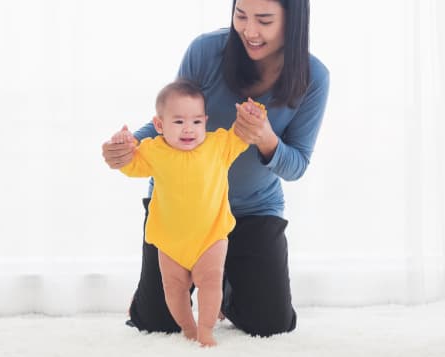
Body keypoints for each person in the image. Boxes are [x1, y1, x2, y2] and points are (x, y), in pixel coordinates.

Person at [101, 0, 329, 337]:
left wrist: (266, 139)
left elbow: (297, 165)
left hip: (252, 209)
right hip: (178, 211)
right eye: (241, 16)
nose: (249, 31)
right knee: (156, 322)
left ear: (292, 22)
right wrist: (128, 146)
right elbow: (171, 119)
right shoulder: (206, 51)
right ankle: (167, 290)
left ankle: (225, 281)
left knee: (270, 324)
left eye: (264, 20)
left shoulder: (313, 77)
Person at [112, 79, 254, 346]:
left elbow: (242, 135)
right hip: (170, 239)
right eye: (178, 122)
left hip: (210, 235)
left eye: (197, 122)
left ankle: (206, 329)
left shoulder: (218, 145)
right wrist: (123, 144)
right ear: (160, 125)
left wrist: (253, 112)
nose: (188, 129)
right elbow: (130, 165)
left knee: (210, 282)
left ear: (205, 122)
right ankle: (188, 327)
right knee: (173, 289)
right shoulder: (154, 150)